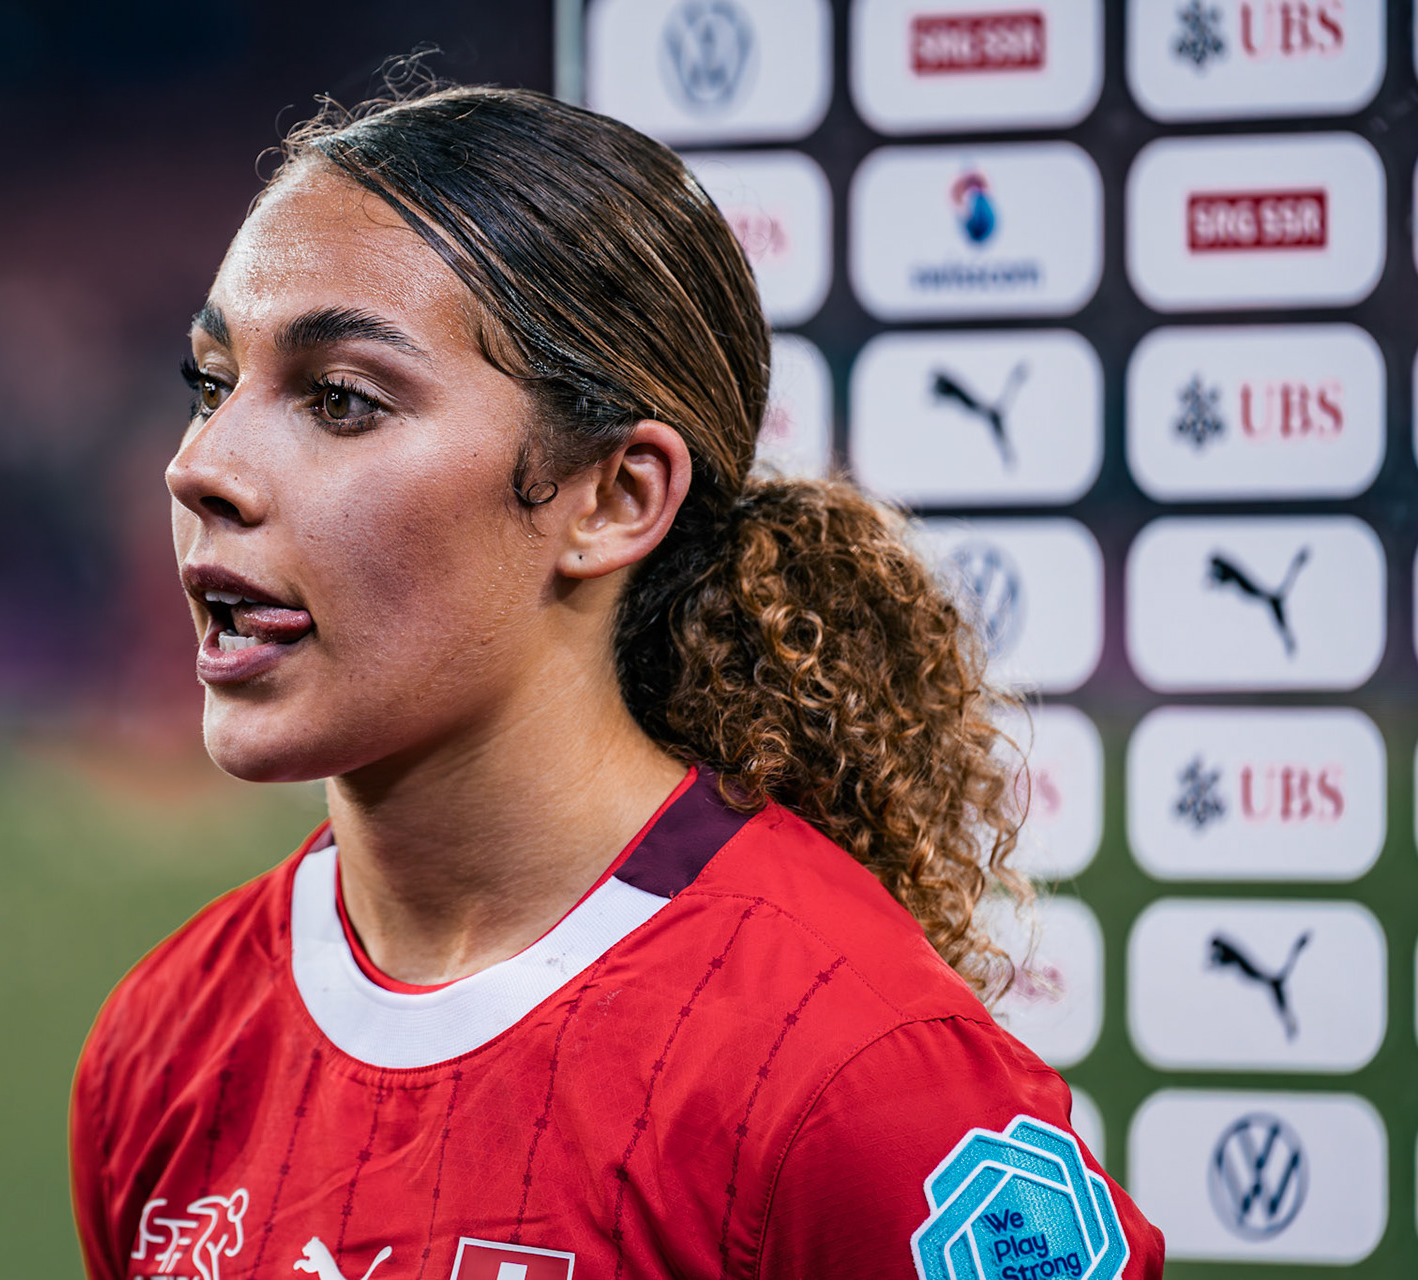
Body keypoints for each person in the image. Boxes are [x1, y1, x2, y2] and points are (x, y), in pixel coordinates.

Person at [71, 81, 1164, 1280]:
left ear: (613, 498)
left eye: (341, 400)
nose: (200, 466)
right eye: (213, 382)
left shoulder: (863, 1083)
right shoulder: (165, 1044)